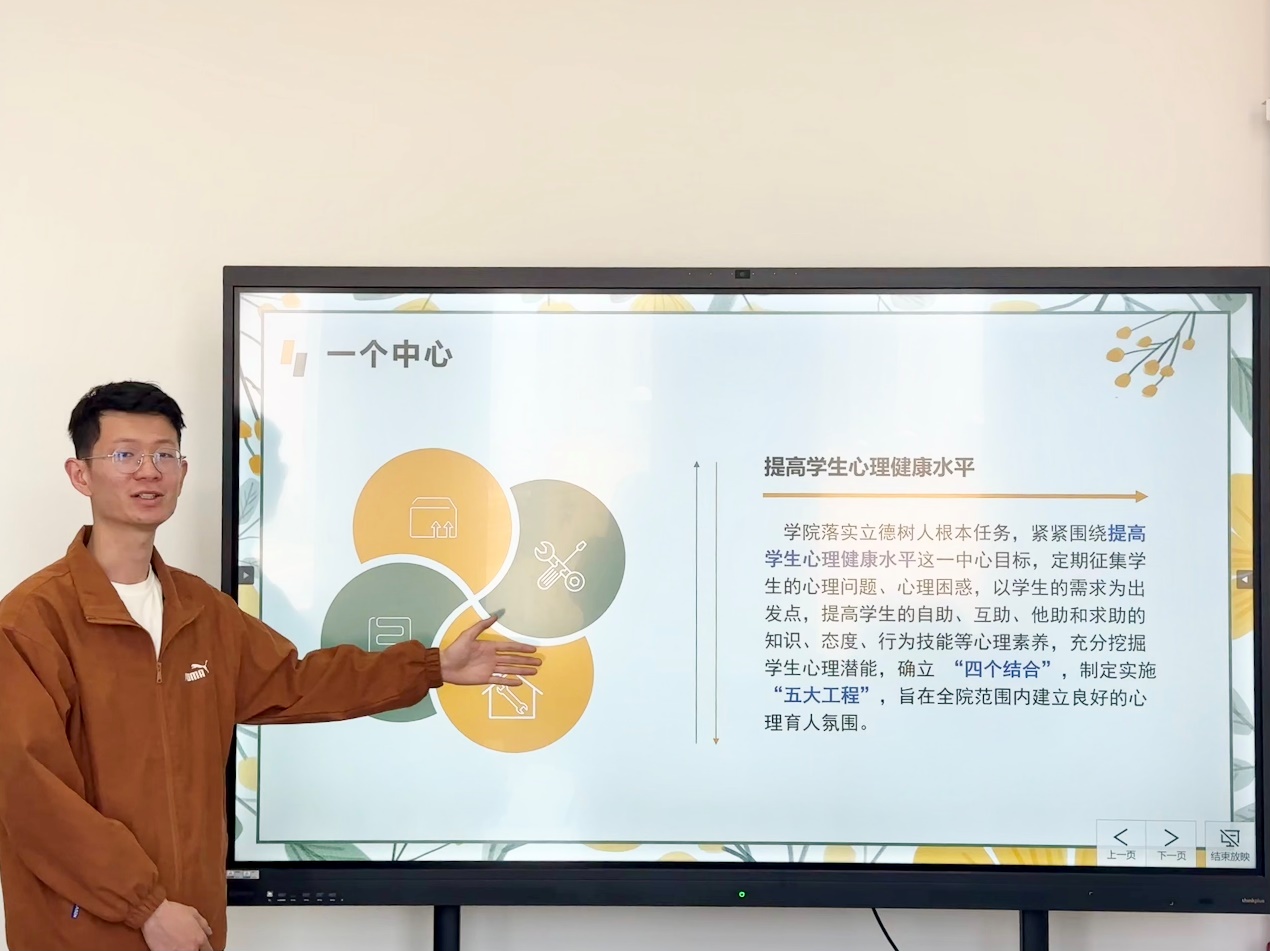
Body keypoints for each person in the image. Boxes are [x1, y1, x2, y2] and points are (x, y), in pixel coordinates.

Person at [0, 381, 542, 951]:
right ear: (80, 475)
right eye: (125, 455)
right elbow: (31, 796)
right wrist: (146, 907)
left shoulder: (201, 610)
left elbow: (297, 682)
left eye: (164, 455)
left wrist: (431, 667)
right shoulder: (32, 621)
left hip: (191, 929)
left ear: (183, 472)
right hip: (85, 931)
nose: (148, 471)